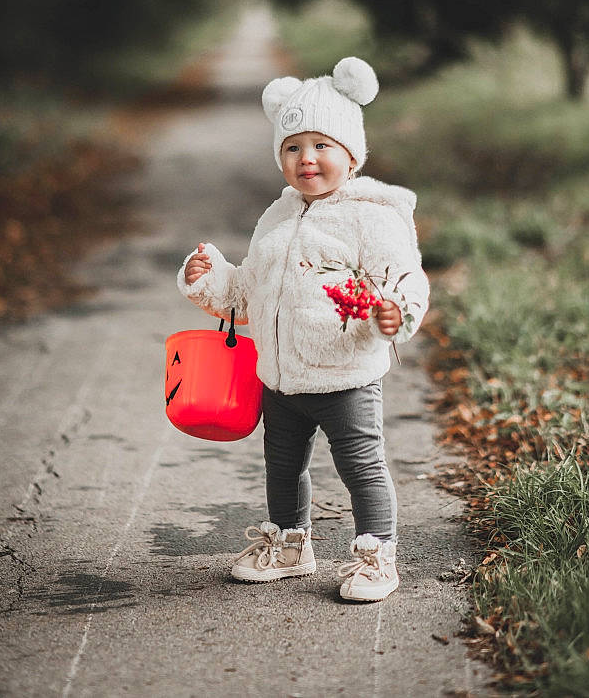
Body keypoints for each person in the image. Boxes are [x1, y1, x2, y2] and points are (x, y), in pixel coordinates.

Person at [176, 56, 430, 602]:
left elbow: (405, 279)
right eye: (293, 148)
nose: (306, 159)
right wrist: (209, 278)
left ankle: (375, 554)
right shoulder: (278, 215)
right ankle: (291, 544)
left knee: (360, 465)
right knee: (283, 465)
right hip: (280, 375)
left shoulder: (371, 214)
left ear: (351, 154)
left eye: (321, 146)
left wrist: (396, 312)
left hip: (345, 373)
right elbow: (247, 294)